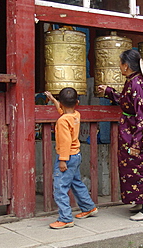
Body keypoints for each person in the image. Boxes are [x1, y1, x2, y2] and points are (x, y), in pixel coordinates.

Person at [97, 49, 143, 221]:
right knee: (142, 165)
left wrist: (136, 144)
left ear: (125, 66)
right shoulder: (134, 81)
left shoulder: (136, 84)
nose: (119, 66)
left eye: (120, 63)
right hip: (138, 129)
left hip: (139, 131)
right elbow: (127, 102)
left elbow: (141, 115)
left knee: (139, 164)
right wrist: (109, 91)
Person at [45, 87, 98, 229]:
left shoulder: (62, 121)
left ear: (62, 103)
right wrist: (54, 100)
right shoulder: (76, 115)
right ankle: (88, 207)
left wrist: (62, 160)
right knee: (76, 182)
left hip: (67, 157)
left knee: (60, 187)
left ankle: (65, 218)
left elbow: (65, 141)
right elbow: (63, 111)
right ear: (77, 102)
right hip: (76, 155)